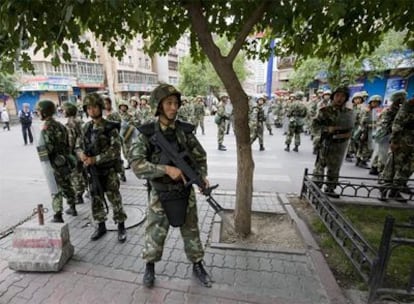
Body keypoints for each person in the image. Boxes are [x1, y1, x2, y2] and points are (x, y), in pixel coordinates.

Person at [128, 83, 212, 289]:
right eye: (169, 103)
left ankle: (197, 264)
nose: (174, 108)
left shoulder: (184, 131)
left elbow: (200, 156)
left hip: (185, 191)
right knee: (155, 232)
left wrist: (202, 176)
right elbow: (137, 165)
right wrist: (166, 170)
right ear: (158, 106)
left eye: (176, 103)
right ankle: (149, 267)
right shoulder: (146, 133)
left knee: (191, 230)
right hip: (160, 192)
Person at [76, 93, 127, 242]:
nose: (91, 110)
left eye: (95, 107)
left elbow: (116, 150)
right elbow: (78, 145)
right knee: (96, 199)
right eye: (89, 108)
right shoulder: (86, 127)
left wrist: (95, 159)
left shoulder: (110, 127)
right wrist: (81, 155)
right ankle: (101, 226)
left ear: (101, 108)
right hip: (93, 172)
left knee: (115, 199)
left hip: (108, 170)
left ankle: (121, 226)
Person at [36, 100, 77, 222]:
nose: (37, 113)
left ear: (45, 112)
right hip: (64, 160)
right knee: (67, 184)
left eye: (39, 111)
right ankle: (72, 207)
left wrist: (44, 160)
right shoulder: (61, 125)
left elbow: (47, 148)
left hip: (54, 163)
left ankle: (58, 215)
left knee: (55, 189)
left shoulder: (46, 128)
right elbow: (68, 143)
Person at [312, 86, 354, 198]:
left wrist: (349, 134)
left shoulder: (348, 112)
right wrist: (327, 129)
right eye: (337, 95)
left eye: (343, 96)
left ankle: (330, 188)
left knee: (335, 167)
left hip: (341, 144)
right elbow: (314, 126)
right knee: (320, 166)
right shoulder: (325, 111)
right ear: (333, 97)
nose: (340, 98)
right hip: (327, 142)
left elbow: (352, 127)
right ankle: (316, 188)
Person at [380, 92, 414, 202]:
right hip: (402, 141)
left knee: (408, 168)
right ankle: (385, 189)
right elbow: (397, 124)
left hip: (411, 142)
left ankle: (395, 190)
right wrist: (394, 141)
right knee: (394, 165)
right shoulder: (408, 106)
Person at [62, 102, 86, 206]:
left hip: (75, 152)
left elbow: (71, 140)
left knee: (75, 174)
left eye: (64, 110)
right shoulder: (79, 120)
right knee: (83, 172)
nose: (63, 112)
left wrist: (69, 153)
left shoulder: (71, 123)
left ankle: (79, 195)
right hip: (83, 150)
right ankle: (87, 191)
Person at [355, 95, 381, 168]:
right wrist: (370, 126)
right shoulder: (367, 110)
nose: (376, 104)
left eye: (377, 103)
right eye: (375, 102)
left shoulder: (373, 110)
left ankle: (359, 160)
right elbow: (363, 122)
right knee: (367, 147)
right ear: (371, 102)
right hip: (365, 131)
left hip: (369, 131)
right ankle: (362, 161)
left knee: (363, 146)